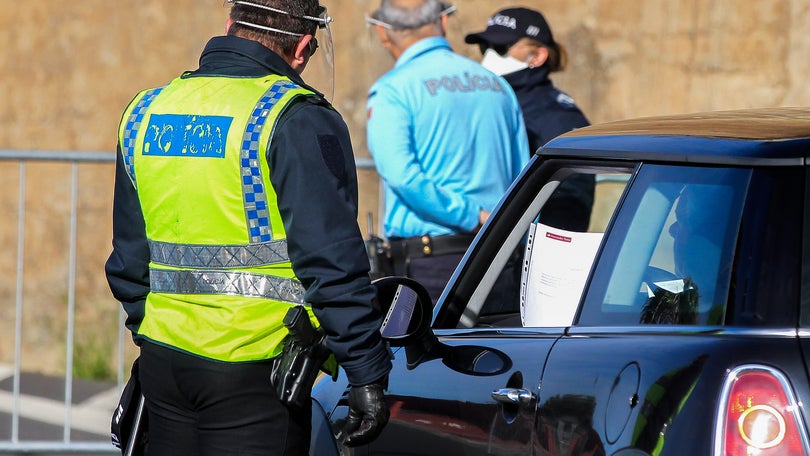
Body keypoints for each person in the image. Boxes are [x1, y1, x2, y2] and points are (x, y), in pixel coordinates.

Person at [105, 1, 392, 454]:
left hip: (163, 361)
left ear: (230, 26)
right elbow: (330, 258)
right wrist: (365, 367)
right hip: (254, 370)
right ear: (302, 47)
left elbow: (129, 257)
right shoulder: (294, 116)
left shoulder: (146, 112)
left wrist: (151, 329)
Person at [365, 0, 530, 303]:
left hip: (430, 267)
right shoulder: (497, 87)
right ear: (442, 22)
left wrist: (470, 215)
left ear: (382, 32)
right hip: (499, 258)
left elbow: (402, 176)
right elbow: (523, 173)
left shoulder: (392, 91)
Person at [465, 7, 595, 232]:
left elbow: (570, 202)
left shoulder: (557, 116)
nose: (489, 57)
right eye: (485, 47)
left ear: (537, 56)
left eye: (500, 48)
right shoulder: (494, 101)